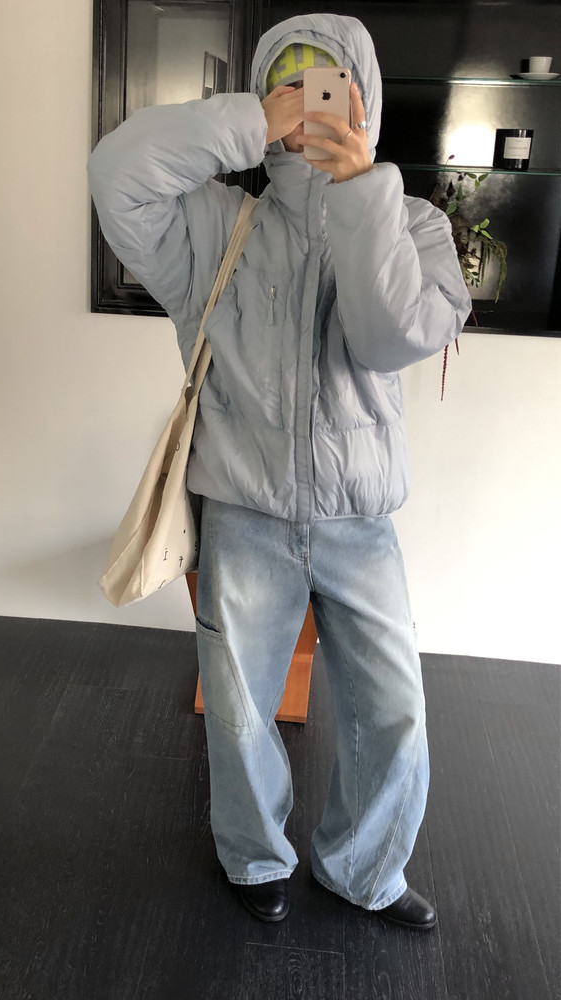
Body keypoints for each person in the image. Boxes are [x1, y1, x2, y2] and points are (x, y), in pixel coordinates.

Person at [88, 13, 471, 930]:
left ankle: (365, 869)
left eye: (327, 81)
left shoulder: (413, 224)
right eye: (288, 82)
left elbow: (391, 338)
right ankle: (254, 856)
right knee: (238, 710)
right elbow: (115, 173)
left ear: (363, 96)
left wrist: (362, 193)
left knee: (394, 713)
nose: (308, 98)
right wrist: (251, 126)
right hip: (244, 509)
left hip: (358, 518)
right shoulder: (217, 223)